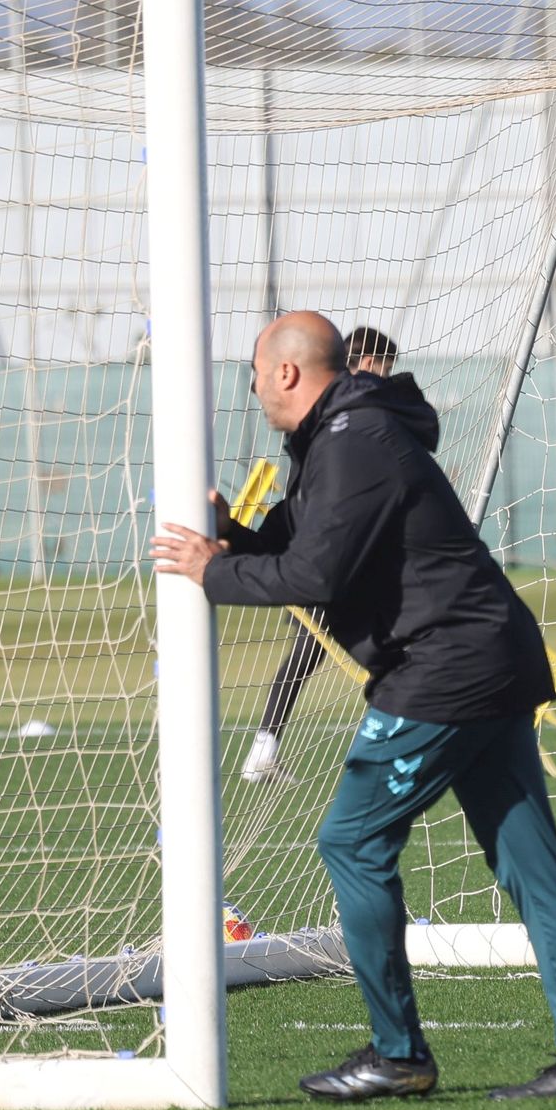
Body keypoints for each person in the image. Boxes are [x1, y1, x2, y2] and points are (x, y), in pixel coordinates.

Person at [152, 311, 556, 1100]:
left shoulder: (351, 443)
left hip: (447, 670)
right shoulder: (345, 435)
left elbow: (317, 578)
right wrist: (235, 536)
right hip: (490, 660)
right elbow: (301, 546)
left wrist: (210, 574)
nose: (253, 387)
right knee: (532, 867)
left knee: (350, 842)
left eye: (256, 373)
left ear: (290, 375)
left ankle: (398, 1054)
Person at [240, 325, 402, 784]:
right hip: (320, 552)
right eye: (383, 368)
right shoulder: (341, 417)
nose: (386, 377)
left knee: (324, 648)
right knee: (322, 646)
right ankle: (263, 749)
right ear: (367, 363)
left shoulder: (339, 414)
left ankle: (265, 748)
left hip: (332, 550)